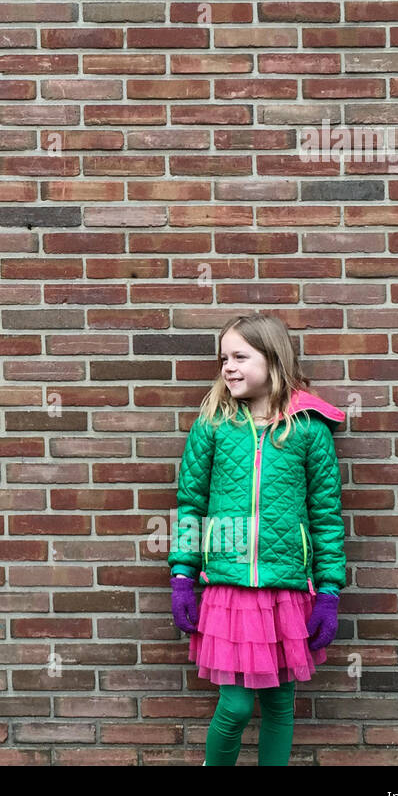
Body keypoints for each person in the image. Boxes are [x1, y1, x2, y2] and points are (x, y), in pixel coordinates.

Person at [168, 312, 347, 765]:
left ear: (272, 359)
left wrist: (329, 591)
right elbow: (191, 505)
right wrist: (182, 577)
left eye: (240, 357)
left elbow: (327, 517)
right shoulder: (213, 425)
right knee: (236, 706)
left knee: (280, 707)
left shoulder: (309, 429)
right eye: (223, 358)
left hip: (286, 592)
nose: (228, 367)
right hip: (228, 590)